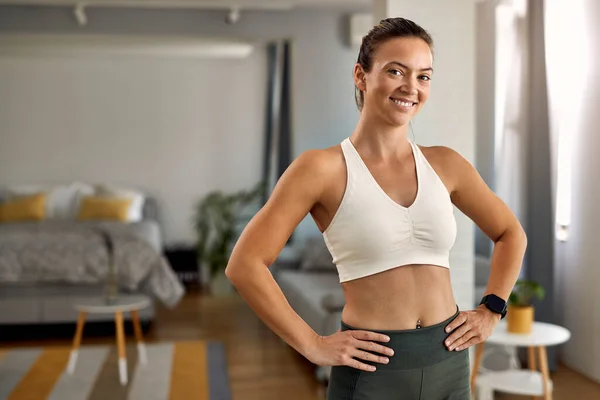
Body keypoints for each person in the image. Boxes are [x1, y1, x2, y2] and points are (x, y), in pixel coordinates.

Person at [225, 17, 527, 400]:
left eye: (424, 76)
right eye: (395, 71)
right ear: (361, 76)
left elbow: (510, 232)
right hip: (373, 375)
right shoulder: (321, 169)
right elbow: (244, 263)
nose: (411, 87)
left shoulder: (446, 164)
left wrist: (491, 310)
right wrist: (313, 344)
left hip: (449, 364)